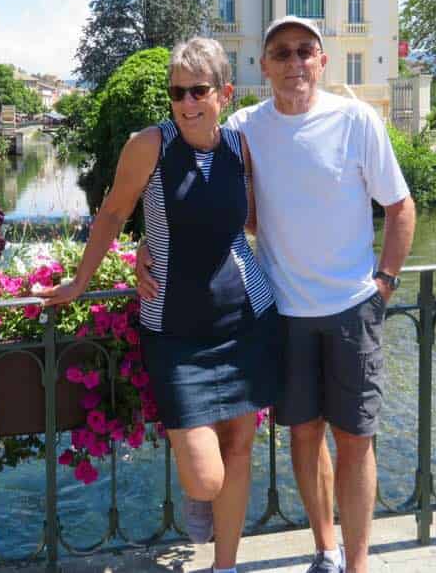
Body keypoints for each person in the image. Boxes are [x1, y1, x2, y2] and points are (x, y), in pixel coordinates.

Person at [138, 16, 416, 573]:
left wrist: (384, 282)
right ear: (262, 66)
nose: (294, 63)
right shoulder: (241, 128)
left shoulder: (357, 119)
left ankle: (357, 564)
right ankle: (325, 550)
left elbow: (400, 207)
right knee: (305, 438)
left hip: (351, 307)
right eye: (281, 53)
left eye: (304, 51)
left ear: (322, 60)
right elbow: (197, 195)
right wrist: (148, 242)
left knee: (356, 441)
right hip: (280, 313)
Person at [35, 37, 280, 573]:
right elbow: (111, 214)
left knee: (239, 447)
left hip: (245, 319)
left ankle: (226, 566)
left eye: (199, 90)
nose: (187, 102)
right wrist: (81, 281)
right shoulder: (149, 144)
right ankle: (198, 497)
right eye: (177, 92)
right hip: (174, 330)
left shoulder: (241, 149)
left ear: (224, 92)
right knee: (206, 476)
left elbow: (253, 226)